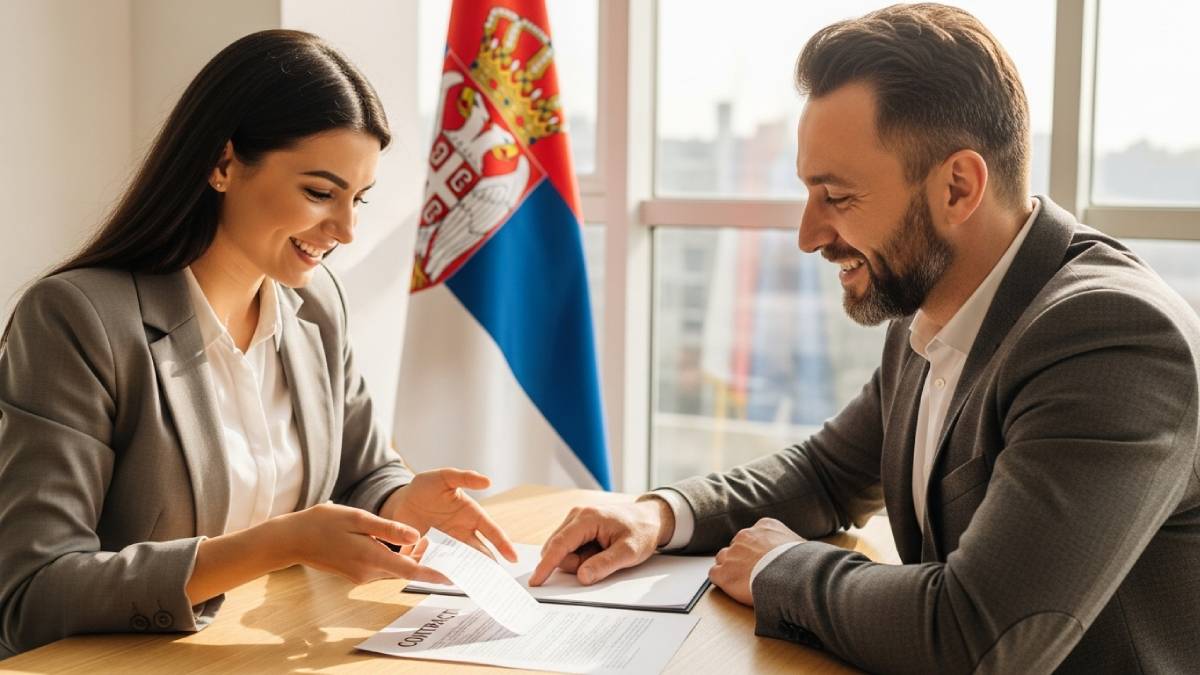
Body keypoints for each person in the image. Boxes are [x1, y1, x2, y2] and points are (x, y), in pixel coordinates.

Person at [532, 4, 1200, 673]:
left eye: (838, 197)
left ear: (958, 186)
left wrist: (783, 567)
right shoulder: (931, 299)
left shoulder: (1111, 339)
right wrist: (660, 514)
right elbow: (826, 473)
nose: (808, 234)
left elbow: (977, 635)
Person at [0, 29, 517, 658]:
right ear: (222, 165)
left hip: (271, 651)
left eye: (359, 199)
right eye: (320, 193)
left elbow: (361, 469)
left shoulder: (316, 302)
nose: (347, 230)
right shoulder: (77, 319)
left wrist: (399, 499)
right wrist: (279, 543)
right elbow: (32, 595)